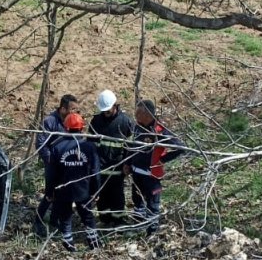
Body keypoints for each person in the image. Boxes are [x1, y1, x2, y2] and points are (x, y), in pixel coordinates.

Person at [123, 100, 184, 235]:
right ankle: (138, 225)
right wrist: (127, 163)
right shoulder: (137, 127)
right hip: (136, 172)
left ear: (147, 115)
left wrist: (162, 159)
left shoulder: (159, 131)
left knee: (152, 204)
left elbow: (180, 147)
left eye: (138, 113)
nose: (135, 115)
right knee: (137, 200)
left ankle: (152, 232)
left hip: (151, 175)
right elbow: (132, 146)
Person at [45, 112, 102, 251]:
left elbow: (51, 173)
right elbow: (95, 172)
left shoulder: (56, 147)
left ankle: (68, 243)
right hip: (83, 189)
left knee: (65, 217)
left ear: (66, 128)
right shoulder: (89, 147)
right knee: (87, 216)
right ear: (82, 128)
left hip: (63, 189)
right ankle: (93, 242)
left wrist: (49, 192)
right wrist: (96, 190)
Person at [89, 89, 135, 227]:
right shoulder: (96, 121)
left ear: (115, 105)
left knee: (117, 196)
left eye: (108, 111)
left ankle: (118, 221)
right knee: (102, 198)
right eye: (103, 111)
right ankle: (105, 220)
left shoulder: (125, 122)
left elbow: (131, 147)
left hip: (117, 168)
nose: (105, 113)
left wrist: (128, 164)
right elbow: (90, 144)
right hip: (100, 169)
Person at [34, 93, 79, 235]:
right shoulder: (50, 121)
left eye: (76, 109)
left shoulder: (73, 120)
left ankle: (54, 220)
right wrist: (51, 160)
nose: (75, 112)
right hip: (53, 164)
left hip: (66, 164)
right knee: (50, 194)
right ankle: (38, 221)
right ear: (63, 109)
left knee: (62, 194)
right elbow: (40, 143)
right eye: (72, 109)